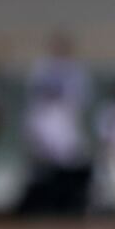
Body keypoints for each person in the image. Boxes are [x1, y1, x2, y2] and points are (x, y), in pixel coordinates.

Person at [16, 31, 92, 216]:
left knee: (69, 165)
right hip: (44, 122)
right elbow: (34, 98)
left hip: (64, 122)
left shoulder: (75, 71)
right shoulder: (41, 68)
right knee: (42, 170)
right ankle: (42, 206)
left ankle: (68, 205)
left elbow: (80, 100)